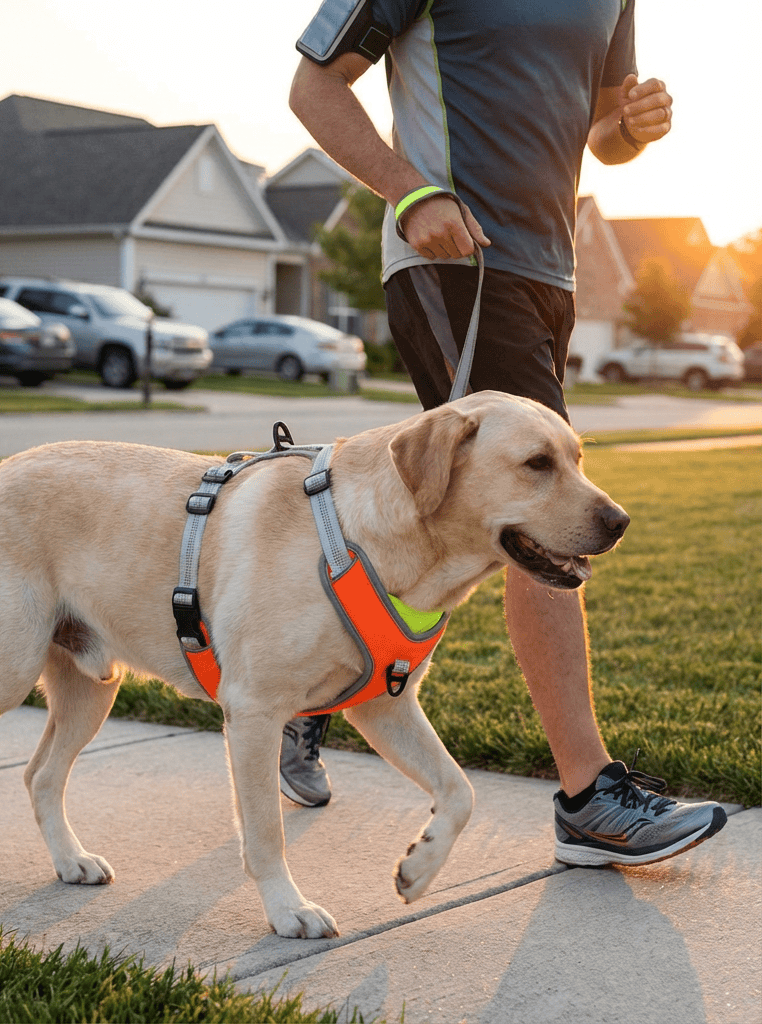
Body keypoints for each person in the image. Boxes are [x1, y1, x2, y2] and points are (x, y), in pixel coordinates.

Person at [280, 0, 728, 867]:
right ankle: (589, 798)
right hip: (456, 257)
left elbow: (603, 131)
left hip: (550, 268)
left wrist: (633, 128)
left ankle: (308, 693)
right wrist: (408, 189)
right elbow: (313, 87)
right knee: (539, 515)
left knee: (445, 509)